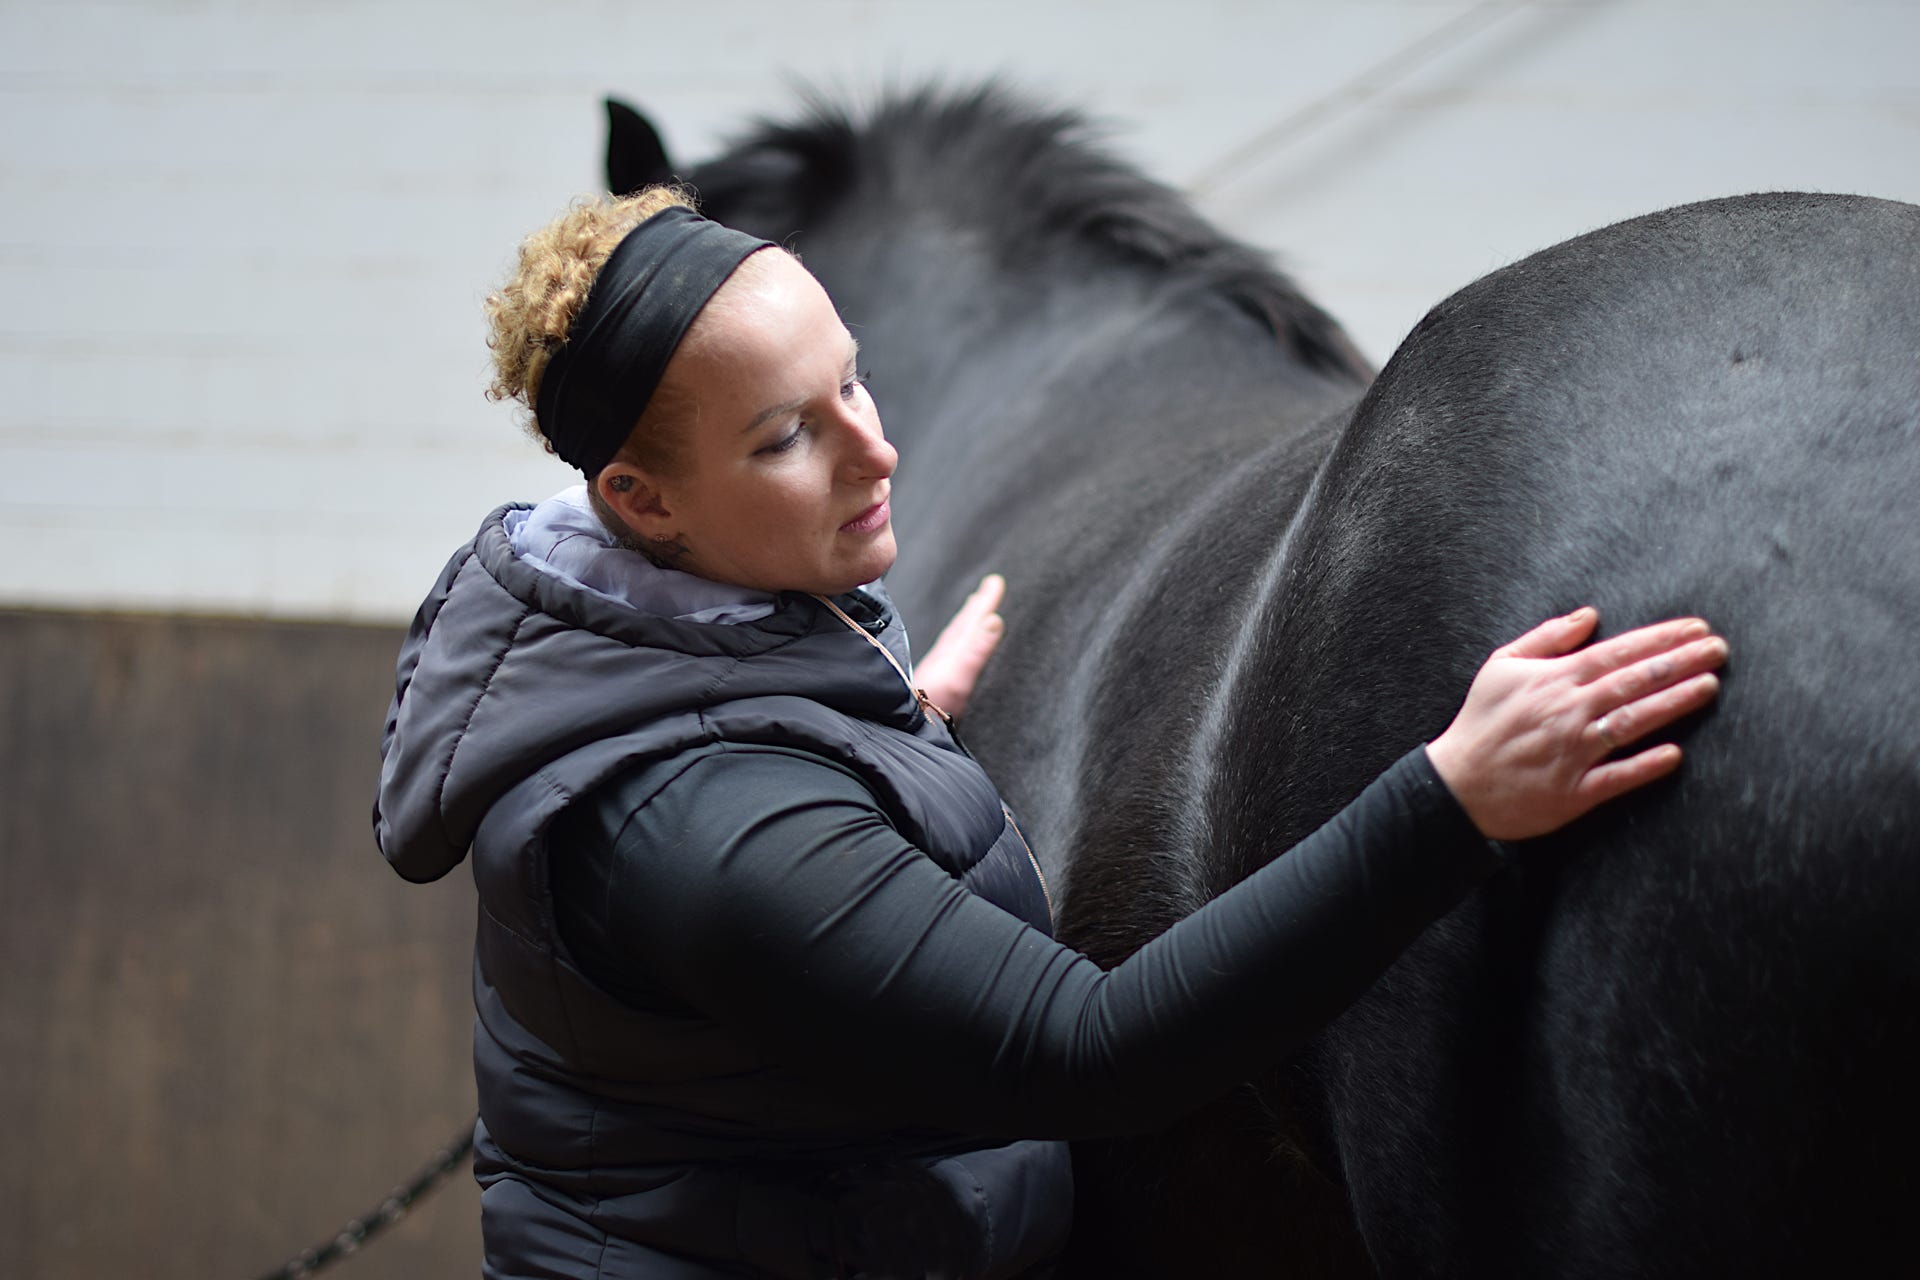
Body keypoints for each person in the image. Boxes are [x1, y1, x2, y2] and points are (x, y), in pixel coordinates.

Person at [374, 187, 1728, 1280]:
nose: (875, 452)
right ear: (641, 500)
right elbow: (1089, 1052)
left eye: (857, 384)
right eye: (788, 436)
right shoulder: (712, 832)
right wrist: (1453, 802)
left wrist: (884, 722)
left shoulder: (677, 624)